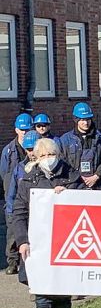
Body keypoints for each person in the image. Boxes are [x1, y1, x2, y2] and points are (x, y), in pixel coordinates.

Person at [11, 137, 84, 308]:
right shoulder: (29, 180)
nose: (47, 159)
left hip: (66, 243)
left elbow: (87, 204)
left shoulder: (72, 176)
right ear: (35, 157)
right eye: (42, 156)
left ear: (58, 155)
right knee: (42, 293)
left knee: (62, 291)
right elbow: (19, 212)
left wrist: (70, 195)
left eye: (51, 155)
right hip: (40, 245)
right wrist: (22, 240)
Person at [0, 113, 33, 274]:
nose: (25, 132)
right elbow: (4, 173)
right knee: (12, 230)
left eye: (27, 129)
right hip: (13, 192)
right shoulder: (8, 151)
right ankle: (12, 261)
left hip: (29, 193)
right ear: (16, 130)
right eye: (22, 129)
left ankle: (24, 262)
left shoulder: (37, 147)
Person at [59, 102, 101, 190]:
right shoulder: (65, 140)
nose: (86, 123)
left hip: (98, 186)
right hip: (74, 186)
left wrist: (96, 176)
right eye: (82, 120)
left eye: (88, 119)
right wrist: (77, 177)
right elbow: (62, 162)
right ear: (76, 120)